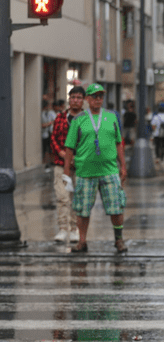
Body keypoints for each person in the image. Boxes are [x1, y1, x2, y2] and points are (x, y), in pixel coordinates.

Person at [63, 83, 128, 253]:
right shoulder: (79, 120)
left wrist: (123, 166)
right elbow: (69, 148)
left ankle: (119, 239)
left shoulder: (111, 117)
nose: (98, 99)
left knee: (116, 207)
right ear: (87, 99)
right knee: (82, 210)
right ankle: (82, 241)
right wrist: (66, 173)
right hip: (85, 171)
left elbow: (118, 143)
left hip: (109, 170)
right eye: (95, 96)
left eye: (101, 96)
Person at [50, 87, 85, 243]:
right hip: (60, 163)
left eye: (78, 97)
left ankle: (75, 229)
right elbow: (54, 139)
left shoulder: (87, 118)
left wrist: (77, 158)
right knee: (62, 197)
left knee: (78, 198)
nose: (75, 100)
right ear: (69, 99)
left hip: (81, 165)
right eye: (73, 97)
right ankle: (63, 228)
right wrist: (63, 154)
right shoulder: (61, 118)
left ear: (83, 100)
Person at [42, 99, 56, 167]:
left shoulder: (46, 113)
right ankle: (44, 163)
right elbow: (41, 125)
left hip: (47, 134)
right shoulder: (42, 114)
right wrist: (50, 123)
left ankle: (48, 163)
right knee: (44, 150)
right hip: (43, 135)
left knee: (49, 149)